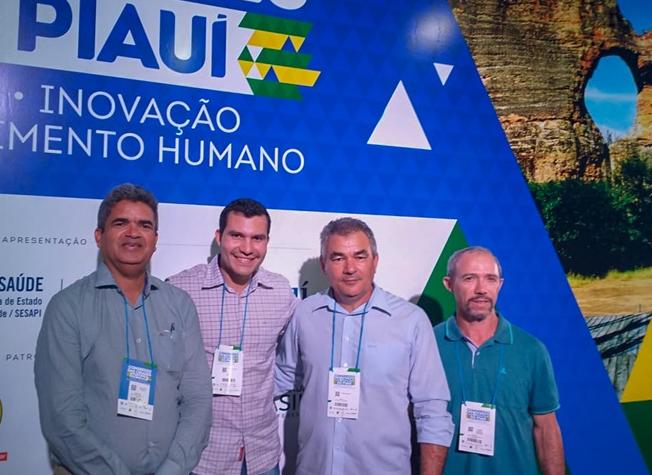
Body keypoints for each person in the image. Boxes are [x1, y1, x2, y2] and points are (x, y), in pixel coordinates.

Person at [34, 184, 212, 475]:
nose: (133, 232)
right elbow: (61, 417)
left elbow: (198, 398)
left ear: (155, 240)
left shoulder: (180, 304)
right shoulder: (68, 307)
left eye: (144, 225)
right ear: (99, 236)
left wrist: (173, 469)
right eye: (120, 223)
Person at [274, 217, 453, 475]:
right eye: (338, 258)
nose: (350, 268)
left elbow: (433, 411)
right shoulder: (305, 314)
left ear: (375, 261)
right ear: (324, 265)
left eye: (359, 257)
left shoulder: (410, 321)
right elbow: (281, 376)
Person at [168, 198, 297, 475]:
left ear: (267, 241)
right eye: (237, 235)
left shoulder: (280, 291)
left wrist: (261, 391)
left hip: (263, 455)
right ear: (219, 237)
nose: (247, 248)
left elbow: (294, 356)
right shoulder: (181, 290)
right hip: (203, 456)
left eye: (257, 238)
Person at [434, 246, 564, 475]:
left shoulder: (531, 350)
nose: (481, 289)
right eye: (469, 278)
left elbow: (546, 428)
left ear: (500, 285)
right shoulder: (428, 343)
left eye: (490, 279)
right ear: (449, 284)